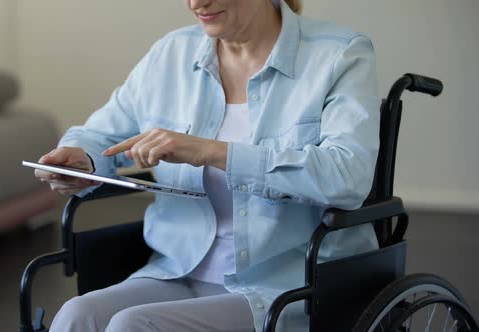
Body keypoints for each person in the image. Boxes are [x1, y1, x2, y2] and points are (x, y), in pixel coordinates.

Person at [35, 0, 381, 331]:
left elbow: (348, 175)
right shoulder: (171, 55)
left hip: (287, 285)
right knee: (78, 314)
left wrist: (214, 152)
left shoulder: (339, 54)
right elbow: (99, 133)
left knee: (133, 326)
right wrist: (82, 159)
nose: (195, 3)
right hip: (178, 270)